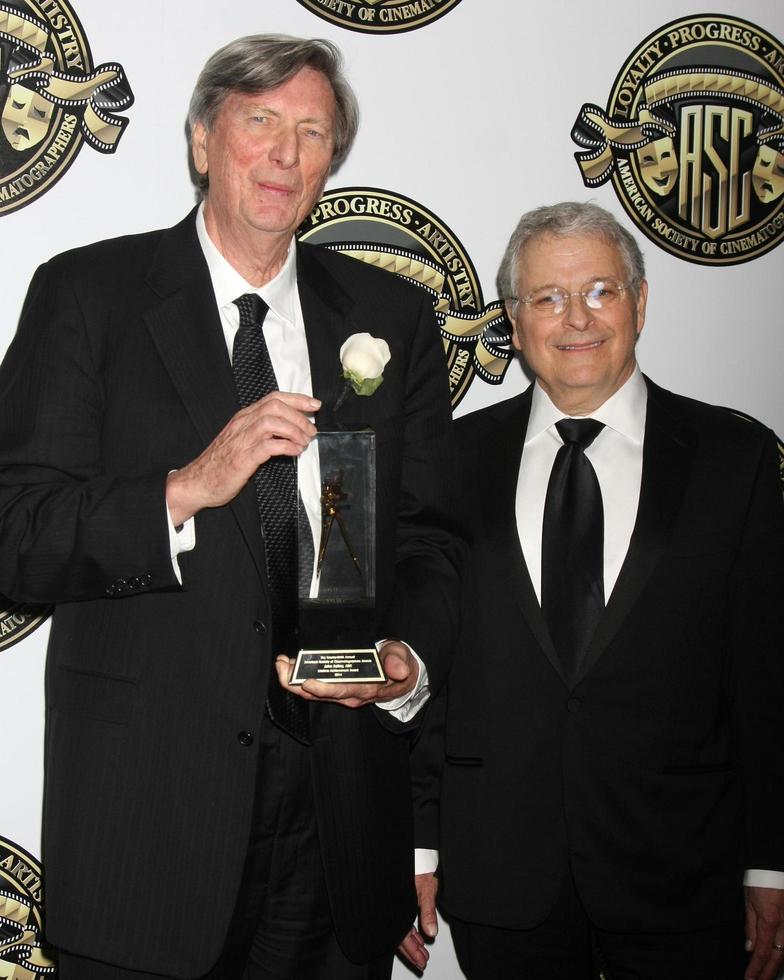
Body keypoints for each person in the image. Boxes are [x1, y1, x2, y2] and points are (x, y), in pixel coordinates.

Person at [0, 34, 463, 980]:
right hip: (148, 831)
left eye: (312, 132)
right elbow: (16, 536)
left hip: (338, 828)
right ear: (204, 141)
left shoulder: (392, 318)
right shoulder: (88, 295)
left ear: (332, 162)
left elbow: (430, 543)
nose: (285, 155)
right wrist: (185, 488)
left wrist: (403, 657)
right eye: (260, 123)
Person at [402, 201, 784, 980]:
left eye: (600, 291)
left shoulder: (733, 459)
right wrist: (418, 839)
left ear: (640, 302)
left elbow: (766, 675)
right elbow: (432, 666)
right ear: (513, 321)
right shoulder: (451, 460)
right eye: (546, 298)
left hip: (682, 871)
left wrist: (770, 864)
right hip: (502, 872)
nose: (575, 317)